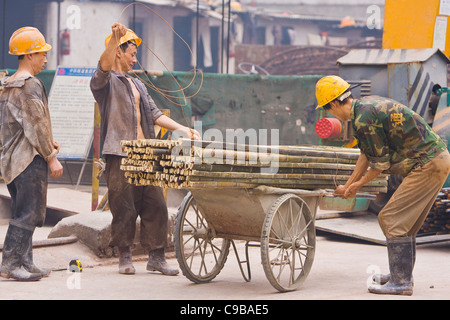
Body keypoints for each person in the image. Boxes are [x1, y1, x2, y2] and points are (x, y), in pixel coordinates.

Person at [315, 75, 450, 296]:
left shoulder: (363, 118)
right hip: (434, 160)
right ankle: (401, 275)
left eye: (328, 110)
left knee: (391, 218)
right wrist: (349, 185)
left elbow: (380, 165)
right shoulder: (366, 107)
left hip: (427, 164)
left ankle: (401, 282)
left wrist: (357, 186)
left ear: (333, 104)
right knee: (405, 223)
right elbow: (366, 155)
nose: (331, 114)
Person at [90, 23, 200, 276]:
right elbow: (103, 66)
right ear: (119, 52)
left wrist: (183, 129)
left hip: (146, 155)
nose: (135, 59)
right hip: (120, 155)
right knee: (123, 206)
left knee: (156, 204)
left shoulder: (138, 85)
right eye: (132, 53)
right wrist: (113, 40)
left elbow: (155, 114)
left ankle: (157, 257)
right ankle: (125, 257)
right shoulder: (104, 83)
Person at [0, 27, 63, 281]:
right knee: (31, 213)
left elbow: (17, 126)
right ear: (29, 55)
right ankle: (10, 263)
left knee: (22, 210)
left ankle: (25, 261)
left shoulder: (7, 86)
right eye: (41, 54)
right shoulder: (29, 86)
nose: (45, 59)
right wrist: (51, 155)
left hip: (12, 161)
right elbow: (37, 125)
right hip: (28, 160)